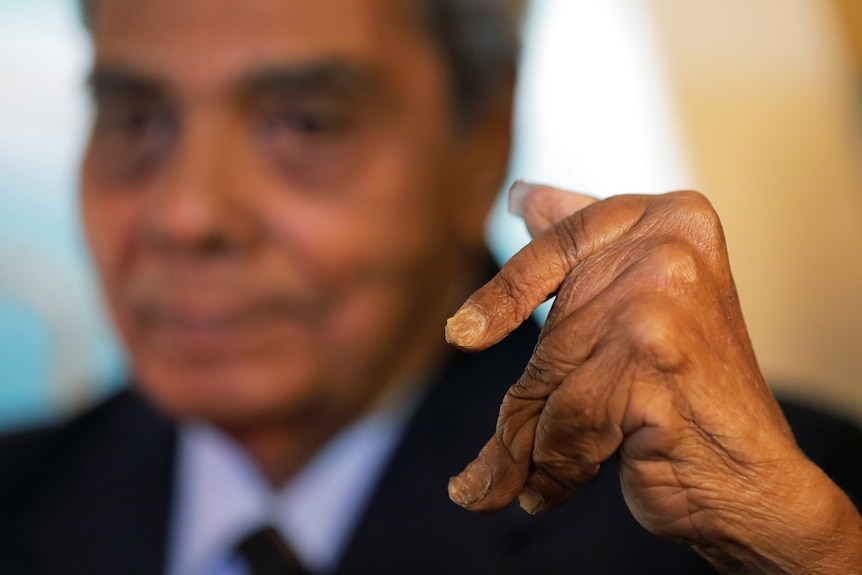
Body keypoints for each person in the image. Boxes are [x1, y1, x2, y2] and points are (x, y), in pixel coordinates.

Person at [0, 0, 860, 573]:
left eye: (304, 122)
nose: (186, 215)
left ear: (483, 138)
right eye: (136, 118)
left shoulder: (776, 519)